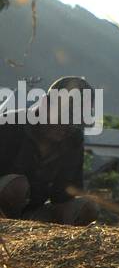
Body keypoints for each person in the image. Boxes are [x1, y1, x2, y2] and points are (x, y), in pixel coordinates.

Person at [0, 76, 98, 225]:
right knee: (16, 186)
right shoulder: (8, 125)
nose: (69, 125)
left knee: (86, 207)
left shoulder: (73, 140)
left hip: (35, 215)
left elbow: (63, 196)